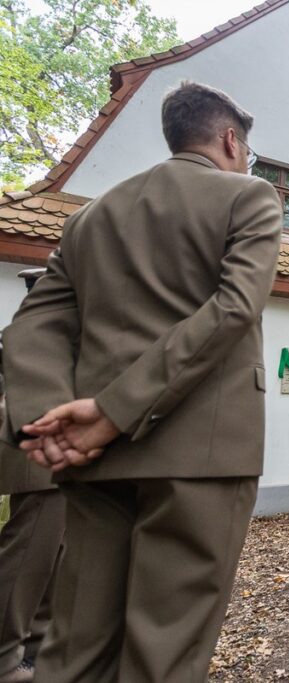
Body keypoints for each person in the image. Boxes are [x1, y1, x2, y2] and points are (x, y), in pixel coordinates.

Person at [1, 82, 283, 680]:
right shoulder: (248, 197)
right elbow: (234, 308)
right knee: (164, 651)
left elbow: (33, 326)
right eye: (247, 149)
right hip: (200, 457)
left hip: (97, 461)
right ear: (232, 140)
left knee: (74, 651)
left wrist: (51, 418)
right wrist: (112, 411)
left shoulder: (89, 218)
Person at [0, 271, 65, 683]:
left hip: (56, 461)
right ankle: (6, 656)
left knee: (52, 558)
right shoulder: (34, 332)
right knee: (26, 559)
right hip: (37, 457)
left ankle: (35, 651)